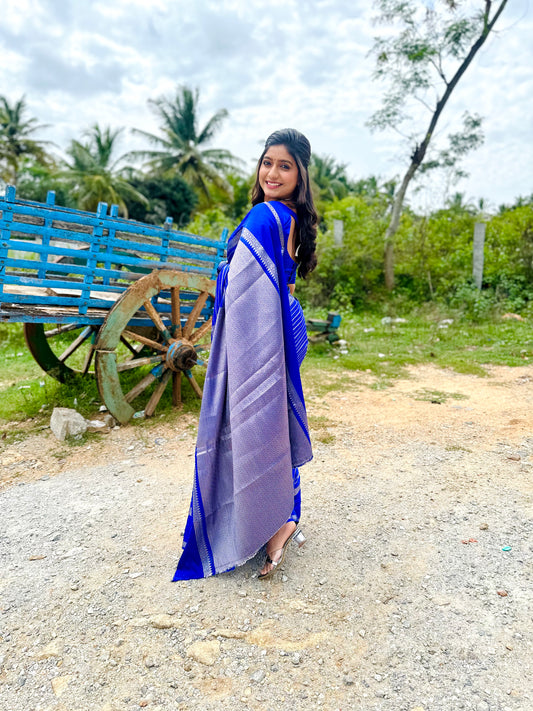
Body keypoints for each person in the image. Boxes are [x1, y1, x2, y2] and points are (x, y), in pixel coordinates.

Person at [173, 128, 318, 581]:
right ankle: (280, 518)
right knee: (270, 420)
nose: (272, 172)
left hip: (257, 336)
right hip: (278, 328)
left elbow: (243, 287)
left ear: (301, 175)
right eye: (267, 162)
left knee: (252, 422)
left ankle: (267, 521)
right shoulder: (290, 218)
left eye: (285, 165)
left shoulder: (264, 216)